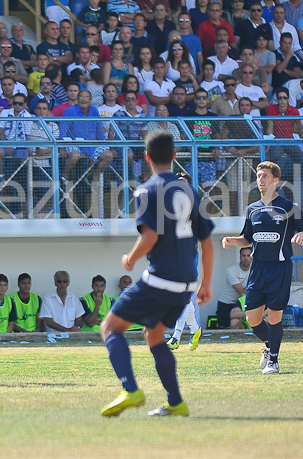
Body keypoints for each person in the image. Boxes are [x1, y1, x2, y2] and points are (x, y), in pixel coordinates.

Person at [99, 130, 214, 417]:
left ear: (147, 157)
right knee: (153, 334)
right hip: (186, 282)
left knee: (110, 328)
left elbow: (149, 238)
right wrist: (205, 283)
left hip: (161, 277)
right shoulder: (189, 189)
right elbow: (207, 241)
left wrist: (130, 258)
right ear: (175, 156)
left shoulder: (147, 190)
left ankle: (130, 389)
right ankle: (175, 402)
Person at [222, 161, 303, 374]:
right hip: (258, 269)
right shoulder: (252, 209)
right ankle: (269, 345)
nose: (261, 180)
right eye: (258, 176)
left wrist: (302, 234)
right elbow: (247, 239)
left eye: (265, 176)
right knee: (252, 318)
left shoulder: (287, 207)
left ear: (276, 180)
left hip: (279, 268)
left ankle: (273, 361)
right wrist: (231, 240)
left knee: (274, 316)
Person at [217, 247, 252, 329]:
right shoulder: (231, 270)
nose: (246, 258)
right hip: (227, 303)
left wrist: (242, 297)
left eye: (248, 255)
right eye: (243, 256)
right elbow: (242, 291)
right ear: (240, 257)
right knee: (230, 326)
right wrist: (244, 295)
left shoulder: (256, 269)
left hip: (244, 302)